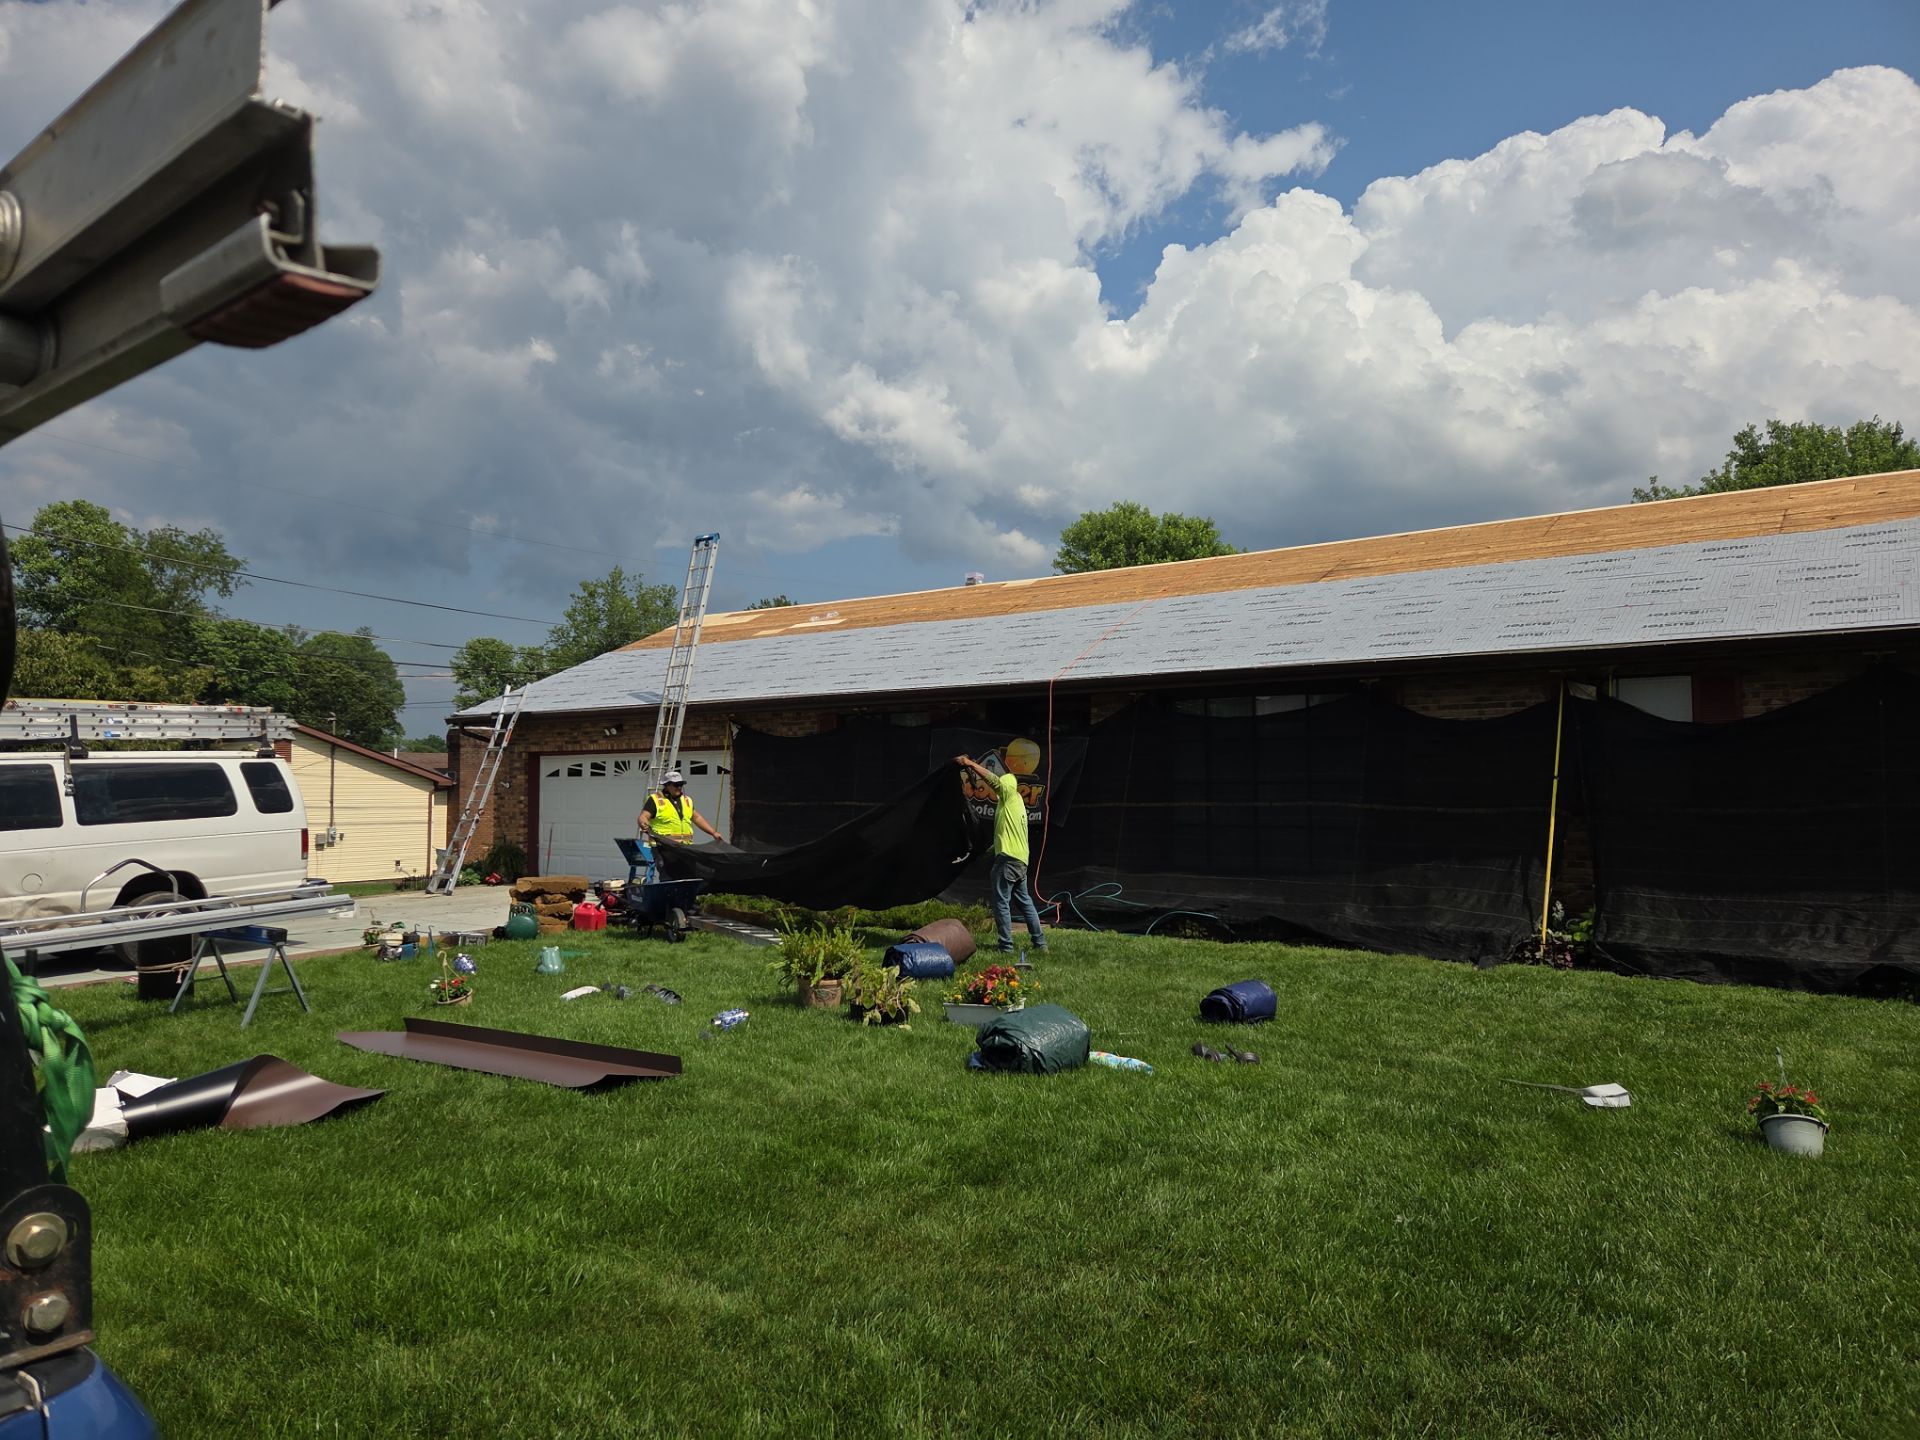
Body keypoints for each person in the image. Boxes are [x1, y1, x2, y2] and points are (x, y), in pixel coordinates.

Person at [955, 754, 1048, 954]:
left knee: (1001, 904)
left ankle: (1006, 947)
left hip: (1008, 861)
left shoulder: (1010, 795)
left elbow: (995, 780)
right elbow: (1004, 838)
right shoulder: (1015, 808)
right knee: (1025, 901)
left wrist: (970, 764)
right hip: (1020, 861)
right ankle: (1040, 944)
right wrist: (980, 854)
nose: (996, 793)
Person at [639, 770, 722, 845]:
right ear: (667, 785)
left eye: (680, 784)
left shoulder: (687, 800)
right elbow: (644, 816)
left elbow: (697, 818)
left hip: (684, 848)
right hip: (663, 847)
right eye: (676, 785)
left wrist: (713, 833)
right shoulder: (655, 800)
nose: (679, 787)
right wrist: (644, 824)